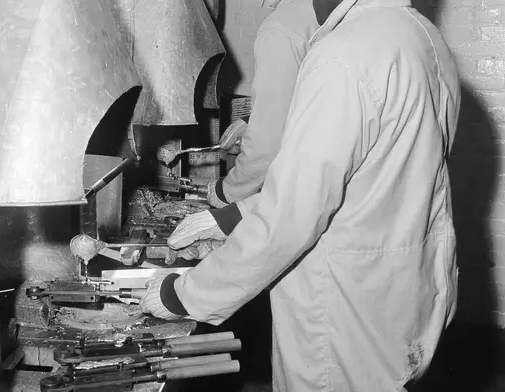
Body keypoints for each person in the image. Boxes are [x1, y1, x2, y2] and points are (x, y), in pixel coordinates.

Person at [140, 0, 461, 391]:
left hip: (342, 316)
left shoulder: (342, 58)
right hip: (403, 298)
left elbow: (289, 220)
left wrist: (182, 295)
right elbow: (364, 182)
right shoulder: (422, 35)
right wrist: (230, 217)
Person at [205, 0, 318, 209]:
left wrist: (228, 192)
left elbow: (266, 143)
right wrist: (252, 119)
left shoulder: (282, 29)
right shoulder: (315, 12)